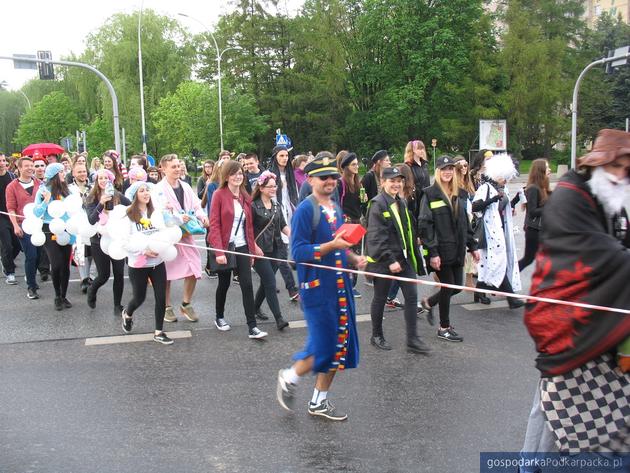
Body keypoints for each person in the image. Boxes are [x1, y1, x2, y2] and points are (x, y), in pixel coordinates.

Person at [520, 129, 630, 466]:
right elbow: (596, 255)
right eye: (617, 166)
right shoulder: (570, 196)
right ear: (598, 164)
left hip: (607, 328)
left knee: (606, 418)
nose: (622, 175)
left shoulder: (615, 201)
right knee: (555, 409)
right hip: (567, 326)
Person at [276, 155, 367, 420]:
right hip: (317, 288)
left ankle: (319, 402)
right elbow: (299, 251)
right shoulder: (306, 210)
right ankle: (289, 376)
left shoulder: (335, 207)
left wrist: (353, 258)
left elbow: (341, 242)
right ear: (311, 180)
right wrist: (332, 247)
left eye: (333, 178)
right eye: (324, 178)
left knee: (340, 344)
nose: (330, 182)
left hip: (340, 287)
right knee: (325, 345)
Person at [365, 166, 431, 353]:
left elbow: (407, 228)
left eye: (399, 181)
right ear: (383, 182)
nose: (396, 184)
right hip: (384, 261)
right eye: (392, 180)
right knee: (380, 297)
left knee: (411, 297)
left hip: (403, 259)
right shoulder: (377, 204)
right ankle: (376, 335)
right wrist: (390, 259)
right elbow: (376, 237)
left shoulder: (400, 202)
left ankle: (412, 340)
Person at [418, 156, 479, 342]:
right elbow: (425, 225)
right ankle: (444, 327)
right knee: (447, 286)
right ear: (437, 171)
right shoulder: (429, 193)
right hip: (441, 251)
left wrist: (472, 246)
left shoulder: (460, 193)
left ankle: (428, 302)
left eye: (450, 169)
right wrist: (433, 253)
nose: (447, 172)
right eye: (444, 169)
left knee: (457, 287)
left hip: (458, 249)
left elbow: (464, 224)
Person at [208, 160, 267, 339]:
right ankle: (219, 316)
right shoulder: (219, 195)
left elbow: (248, 227)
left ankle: (252, 327)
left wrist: (251, 250)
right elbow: (214, 225)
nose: (238, 176)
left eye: (240, 173)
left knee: (247, 285)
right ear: (226, 176)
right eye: (234, 174)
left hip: (242, 246)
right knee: (224, 284)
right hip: (225, 247)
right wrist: (219, 252)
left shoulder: (244, 196)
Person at [152, 154, 208, 323]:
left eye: (178, 166)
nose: (178, 169)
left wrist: (202, 216)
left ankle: (186, 303)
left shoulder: (185, 186)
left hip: (187, 234)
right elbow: (158, 211)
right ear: (163, 169)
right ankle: (166, 306)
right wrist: (177, 217)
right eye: (173, 167)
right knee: (167, 273)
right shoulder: (158, 190)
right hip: (169, 236)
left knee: (194, 268)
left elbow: (196, 205)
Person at [120, 181, 173, 345]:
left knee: (161, 297)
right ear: (135, 195)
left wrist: (163, 245)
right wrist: (143, 250)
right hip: (139, 264)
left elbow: (164, 232)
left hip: (157, 262)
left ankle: (159, 331)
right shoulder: (128, 215)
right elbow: (124, 242)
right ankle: (127, 313)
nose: (146, 193)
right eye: (142, 191)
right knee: (139, 298)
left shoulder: (155, 213)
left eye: (147, 190)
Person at [471, 153, 524, 308]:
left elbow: (505, 206)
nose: (505, 179)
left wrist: (517, 198)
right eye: (503, 176)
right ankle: (511, 299)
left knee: (493, 263)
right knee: (497, 263)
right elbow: (475, 207)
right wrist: (491, 200)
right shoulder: (485, 188)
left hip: (502, 230)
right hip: (489, 232)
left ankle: (479, 291)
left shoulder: (503, 188)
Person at [85, 169, 131, 316]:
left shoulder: (118, 196)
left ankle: (117, 305)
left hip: (116, 240)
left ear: (111, 180)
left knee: (119, 274)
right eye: (100, 178)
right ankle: (92, 290)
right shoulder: (91, 197)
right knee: (103, 275)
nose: (103, 180)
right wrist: (101, 203)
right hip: (98, 241)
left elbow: (131, 208)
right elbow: (91, 220)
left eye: (106, 178)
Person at [251, 170, 290, 330]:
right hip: (259, 250)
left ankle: (254, 308)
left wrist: (294, 235)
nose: (274, 189)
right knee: (271, 282)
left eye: (275, 186)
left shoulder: (276, 205)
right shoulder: (253, 206)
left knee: (266, 282)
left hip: (275, 248)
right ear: (261, 188)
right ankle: (279, 318)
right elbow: (247, 230)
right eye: (270, 186)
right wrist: (254, 247)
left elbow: (283, 226)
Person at [33, 163, 75, 311]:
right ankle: (57, 295)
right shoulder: (43, 190)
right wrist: (46, 200)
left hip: (66, 229)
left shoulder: (67, 190)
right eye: (62, 172)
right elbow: (37, 213)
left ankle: (64, 295)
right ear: (55, 175)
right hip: (49, 229)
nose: (64, 174)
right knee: (56, 264)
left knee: (65, 265)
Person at [6, 157, 41, 299]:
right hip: (23, 225)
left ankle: (31, 275)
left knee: (39, 255)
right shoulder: (12, 186)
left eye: (31, 165)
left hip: (39, 225)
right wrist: (15, 225)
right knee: (31, 255)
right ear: (19, 168)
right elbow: (11, 208)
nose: (30, 168)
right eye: (26, 166)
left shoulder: (39, 183)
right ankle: (31, 287)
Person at [267, 145, 299, 301]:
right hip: (275, 216)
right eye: (281, 155)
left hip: (289, 214)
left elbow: (294, 196)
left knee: (276, 259)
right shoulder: (269, 175)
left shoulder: (289, 173)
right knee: (280, 254)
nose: (285, 158)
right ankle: (292, 288)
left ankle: (267, 286)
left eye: (286, 155)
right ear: (275, 157)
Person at [337, 151, 366, 299]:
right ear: (346, 167)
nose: (357, 167)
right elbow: (337, 204)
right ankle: (347, 286)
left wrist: (364, 199)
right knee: (348, 255)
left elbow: (360, 204)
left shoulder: (357, 182)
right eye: (353, 164)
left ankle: (352, 285)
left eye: (357, 164)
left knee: (356, 255)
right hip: (347, 223)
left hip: (357, 221)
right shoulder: (341, 183)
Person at [518, 159, 551, 272]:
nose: (549, 170)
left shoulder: (543, 187)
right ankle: (507, 279)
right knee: (528, 259)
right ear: (540, 170)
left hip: (542, 229)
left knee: (545, 259)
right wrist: (549, 206)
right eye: (547, 167)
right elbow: (532, 211)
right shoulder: (533, 188)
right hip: (533, 229)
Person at [454, 156, 480, 295]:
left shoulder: (469, 183)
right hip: (460, 222)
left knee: (471, 252)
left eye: (466, 166)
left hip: (471, 221)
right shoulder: (454, 185)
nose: (464, 169)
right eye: (461, 167)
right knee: (459, 254)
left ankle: (469, 280)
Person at [68, 161, 94, 294]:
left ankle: (88, 275)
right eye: (79, 172)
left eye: (84, 171)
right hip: (77, 223)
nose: (82, 174)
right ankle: (84, 278)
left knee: (90, 251)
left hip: (91, 223)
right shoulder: (69, 189)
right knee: (80, 250)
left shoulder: (93, 186)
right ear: (73, 173)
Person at [0, 153, 19, 285]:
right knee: (7, 245)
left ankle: (6, 260)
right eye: (0, 161)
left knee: (17, 245)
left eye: (3, 160)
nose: (2, 163)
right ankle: (10, 272)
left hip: (13, 215)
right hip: (1, 217)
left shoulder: (12, 177)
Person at [32, 154, 50, 281]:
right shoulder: (31, 182)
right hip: (31, 217)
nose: (39, 168)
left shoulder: (50, 182)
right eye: (36, 166)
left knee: (46, 245)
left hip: (48, 219)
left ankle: (44, 270)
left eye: (42, 165)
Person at [403, 140, 431, 206]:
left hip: (426, 198)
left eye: (422, 148)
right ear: (412, 150)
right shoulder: (408, 166)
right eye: (419, 149)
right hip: (415, 200)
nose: (422, 151)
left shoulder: (425, 164)